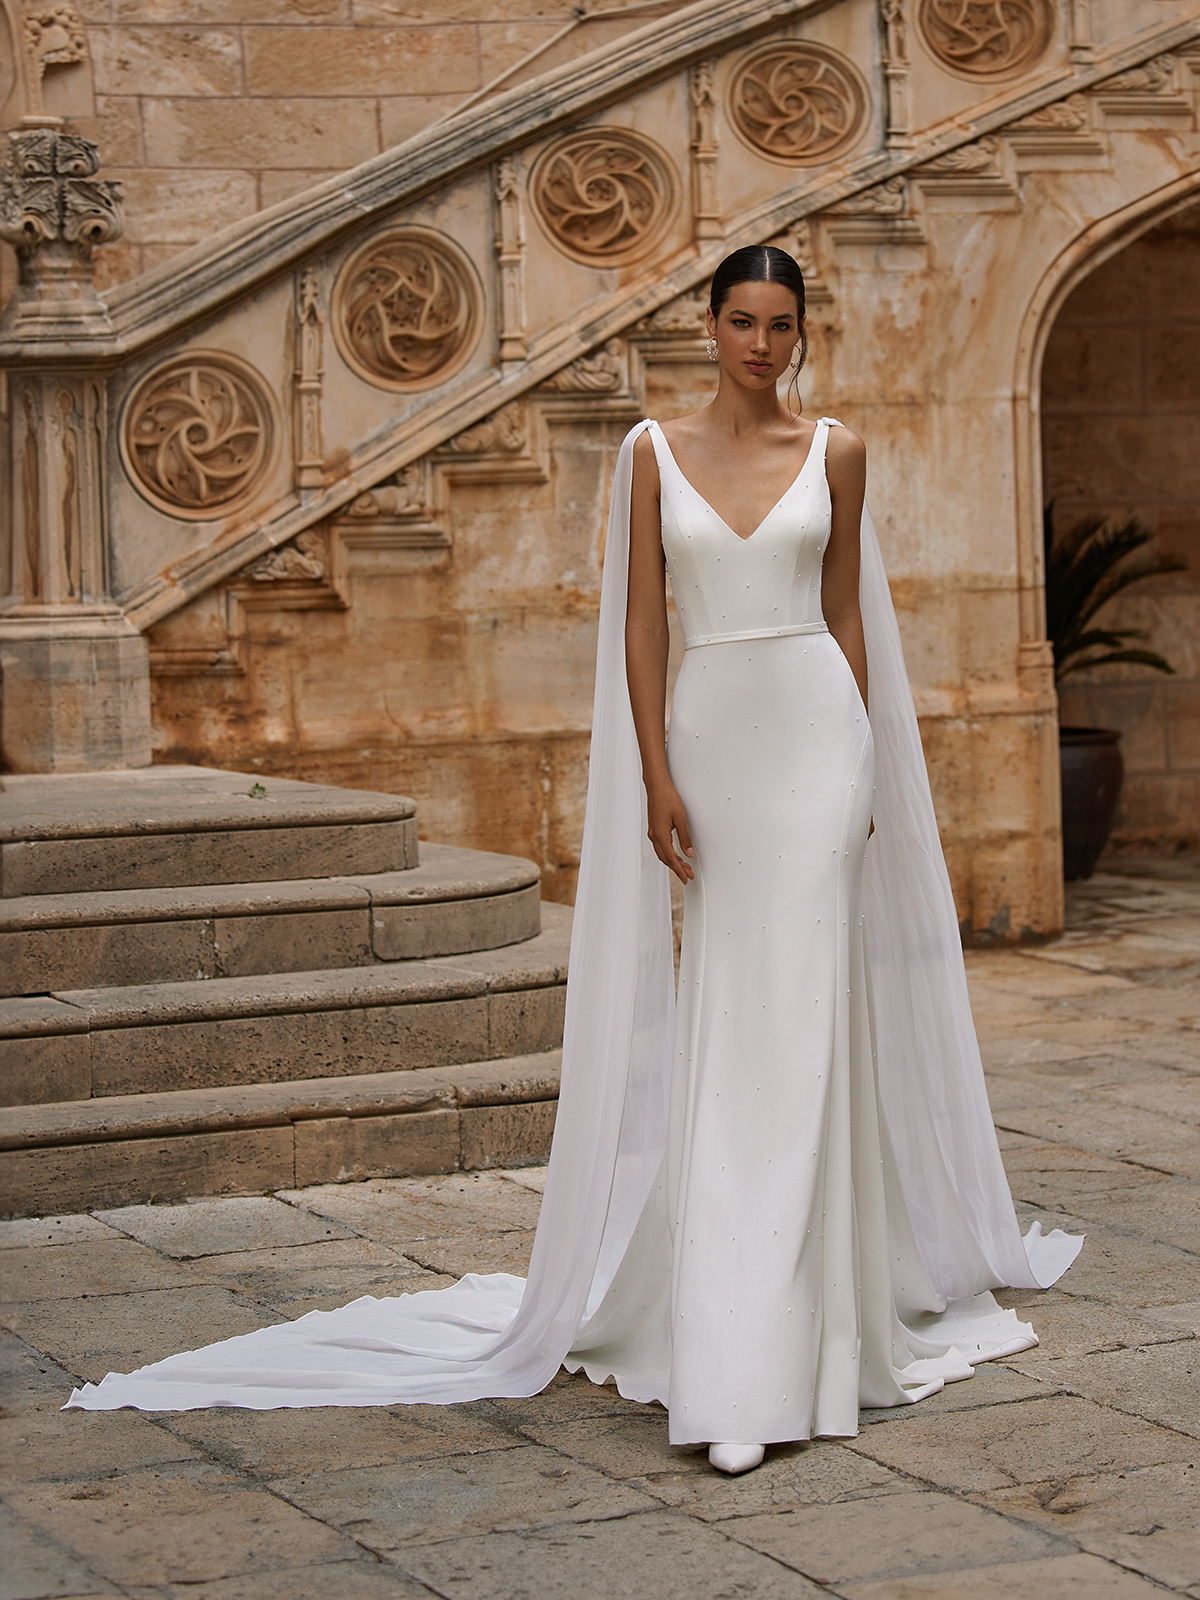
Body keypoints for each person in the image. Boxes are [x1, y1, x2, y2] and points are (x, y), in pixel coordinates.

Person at [67, 247, 1080, 1471]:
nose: (761, 344)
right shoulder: (651, 453)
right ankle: (732, 1332)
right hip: (713, 740)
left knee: (809, 1010)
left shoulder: (838, 450)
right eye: (742, 321)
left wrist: (864, 756)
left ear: (802, 333)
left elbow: (846, 613)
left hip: (820, 740)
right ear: (709, 325)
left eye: (781, 325)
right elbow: (643, 621)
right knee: (733, 1016)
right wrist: (656, 772)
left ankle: (786, 1347)